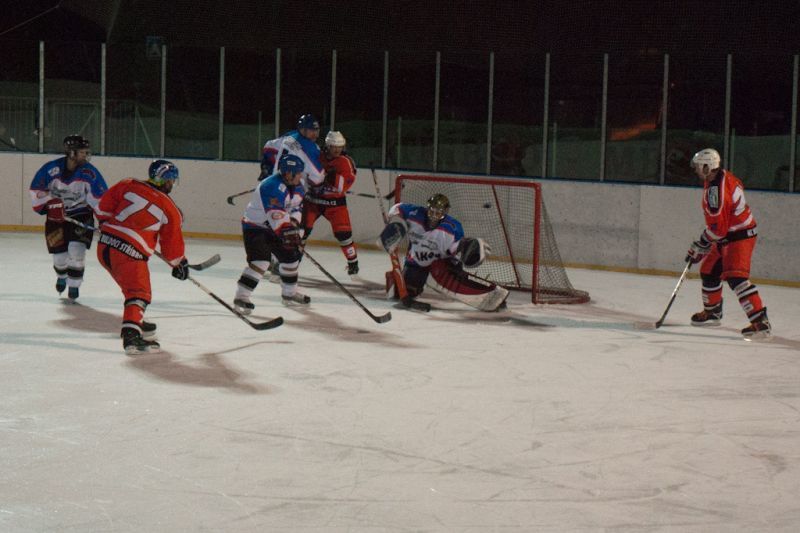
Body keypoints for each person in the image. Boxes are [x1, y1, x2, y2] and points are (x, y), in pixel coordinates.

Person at [95, 160, 189, 355]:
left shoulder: (128, 184)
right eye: (171, 180)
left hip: (104, 247)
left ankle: (135, 319)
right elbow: (172, 246)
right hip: (129, 254)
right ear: (166, 180)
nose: (172, 184)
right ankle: (131, 337)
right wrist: (179, 263)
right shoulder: (171, 209)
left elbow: (103, 208)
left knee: (130, 288)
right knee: (139, 293)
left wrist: (105, 222)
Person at [684, 148, 770, 340]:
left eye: (698, 166)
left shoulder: (716, 192)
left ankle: (760, 323)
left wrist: (702, 243)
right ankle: (712, 312)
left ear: (707, 167)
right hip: (729, 234)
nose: (696, 170)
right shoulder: (720, 177)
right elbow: (720, 227)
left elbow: (718, 230)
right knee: (709, 271)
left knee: (736, 278)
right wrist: (706, 242)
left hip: (739, 236)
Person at [379, 193, 507, 312]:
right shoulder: (414, 213)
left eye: (438, 213)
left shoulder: (453, 227)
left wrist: (466, 248)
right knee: (400, 293)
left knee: (444, 275)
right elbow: (396, 208)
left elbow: (455, 250)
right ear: (427, 208)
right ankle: (396, 278)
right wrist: (397, 222)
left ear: (445, 212)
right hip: (416, 263)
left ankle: (491, 295)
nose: (434, 216)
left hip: (441, 264)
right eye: (432, 211)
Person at [29, 134, 108, 300]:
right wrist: (49, 205)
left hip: (81, 214)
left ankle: (74, 286)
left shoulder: (90, 172)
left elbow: (100, 198)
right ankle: (61, 275)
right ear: (72, 153)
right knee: (59, 258)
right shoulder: (50, 169)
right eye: (82, 152)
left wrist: (105, 220)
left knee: (76, 251)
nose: (86, 155)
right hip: (56, 216)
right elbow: (36, 190)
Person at [234, 154, 308, 314]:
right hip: (255, 227)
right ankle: (242, 297)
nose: (300, 176)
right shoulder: (271, 186)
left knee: (291, 257)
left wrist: (294, 225)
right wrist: (288, 232)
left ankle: (289, 293)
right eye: (298, 173)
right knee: (261, 261)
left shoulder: (298, 186)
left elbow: (296, 208)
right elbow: (275, 215)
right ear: (288, 173)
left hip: (276, 227)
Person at [302, 130, 359, 276]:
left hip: (335, 204)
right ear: (327, 145)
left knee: (344, 234)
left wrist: (331, 177)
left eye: (340, 147)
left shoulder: (345, 162)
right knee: (301, 231)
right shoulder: (317, 156)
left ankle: (353, 263)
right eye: (334, 146)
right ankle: (292, 260)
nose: (337, 150)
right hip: (313, 201)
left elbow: (343, 186)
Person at [259, 113, 325, 188]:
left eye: (317, 130)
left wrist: (267, 165)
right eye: (312, 130)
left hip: (274, 182)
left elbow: (268, 147)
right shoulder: (309, 147)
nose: (315, 134)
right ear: (302, 130)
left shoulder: (290, 136)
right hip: (293, 190)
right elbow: (318, 179)